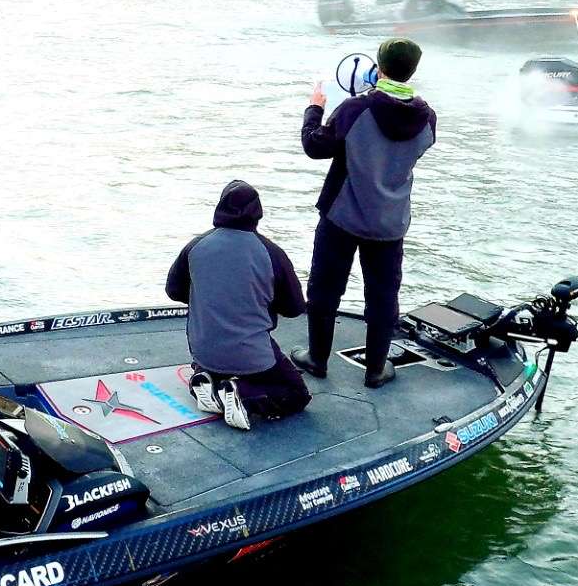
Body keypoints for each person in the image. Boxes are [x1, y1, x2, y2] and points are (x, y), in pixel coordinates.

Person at [295, 36, 437, 389]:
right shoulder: (427, 117)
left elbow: (315, 146)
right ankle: (375, 369)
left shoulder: (356, 109)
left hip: (342, 215)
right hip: (390, 221)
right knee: (383, 295)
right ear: (413, 70)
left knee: (325, 289)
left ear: (380, 65)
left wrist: (315, 108)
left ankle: (317, 359)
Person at [165, 180, 309, 430]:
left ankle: (203, 380)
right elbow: (294, 307)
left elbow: (174, 291)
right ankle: (242, 394)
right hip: (252, 355)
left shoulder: (195, 246)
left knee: (215, 363)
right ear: (257, 213)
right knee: (295, 393)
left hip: (203, 350)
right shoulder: (271, 252)